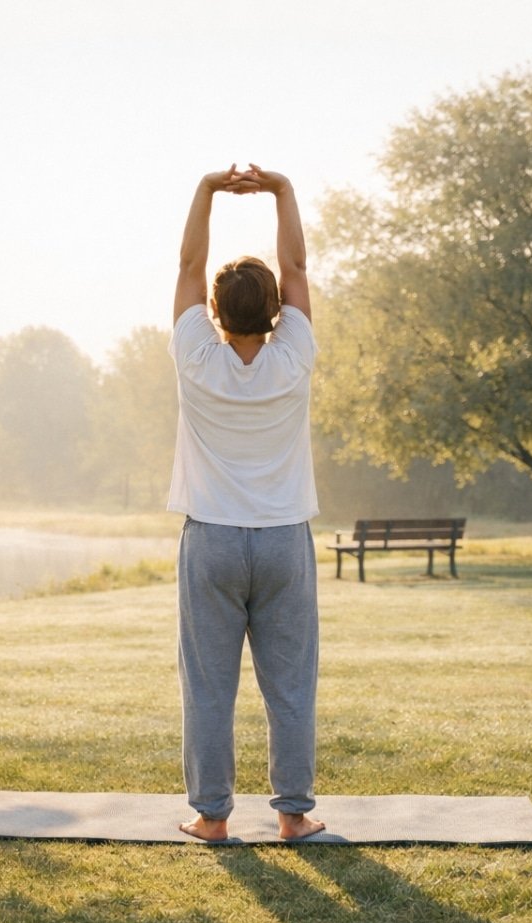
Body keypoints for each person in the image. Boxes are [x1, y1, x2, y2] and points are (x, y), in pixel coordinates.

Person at [168, 163, 325, 842]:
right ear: (275, 310)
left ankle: (211, 819)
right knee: (289, 685)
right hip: (284, 539)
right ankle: (292, 816)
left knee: (209, 688)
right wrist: (282, 191)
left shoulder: (196, 356)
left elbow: (187, 261)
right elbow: (295, 262)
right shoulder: (294, 355)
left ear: (214, 311)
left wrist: (206, 190)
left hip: (213, 543)